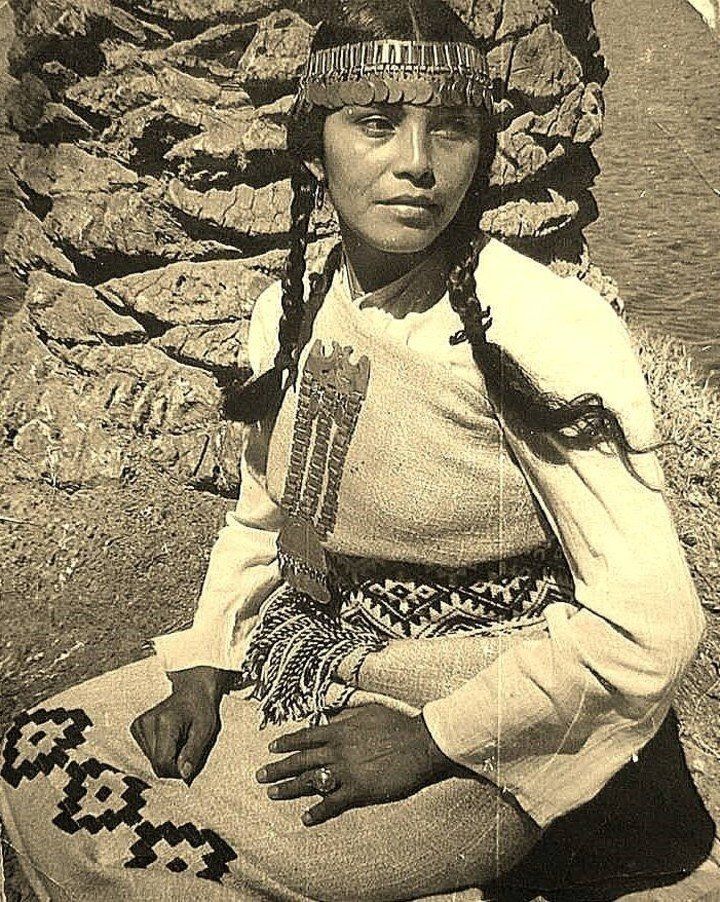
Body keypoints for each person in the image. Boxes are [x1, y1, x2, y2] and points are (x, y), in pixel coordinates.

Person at [0, 0, 711, 899]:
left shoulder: (541, 325)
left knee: (170, 874)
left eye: (450, 129)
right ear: (314, 150)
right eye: (376, 123)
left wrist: (432, 738)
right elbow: (264, 520)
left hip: (486, 726)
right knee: (35, 754)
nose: (417, 163)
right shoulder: (288, 313)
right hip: (306, 660)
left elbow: (652, 622)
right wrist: (203, 661)